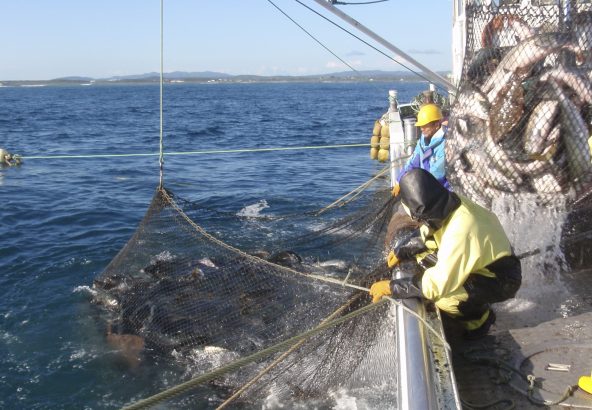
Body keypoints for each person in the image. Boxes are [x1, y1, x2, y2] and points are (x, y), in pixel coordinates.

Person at [370, 168, 522, 339]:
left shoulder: (461, 231)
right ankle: (474, 305)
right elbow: (428, 232)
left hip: (499, 279)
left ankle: (479, 322)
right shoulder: (447, 203)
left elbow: (437, 285)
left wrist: (392, 287)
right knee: (422, 260)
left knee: (446, 299)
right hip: (481, 262)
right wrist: (403, 251)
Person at [391, 103, 449, 197]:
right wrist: (399, 181)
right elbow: (412, 163)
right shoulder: (423, 140)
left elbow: (437, 175)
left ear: (436, 124)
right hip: (424, 188)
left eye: (425, 125)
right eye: (420, 125)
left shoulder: (447, 144)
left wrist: (413, 187)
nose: (422, 129)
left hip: (442, 192)